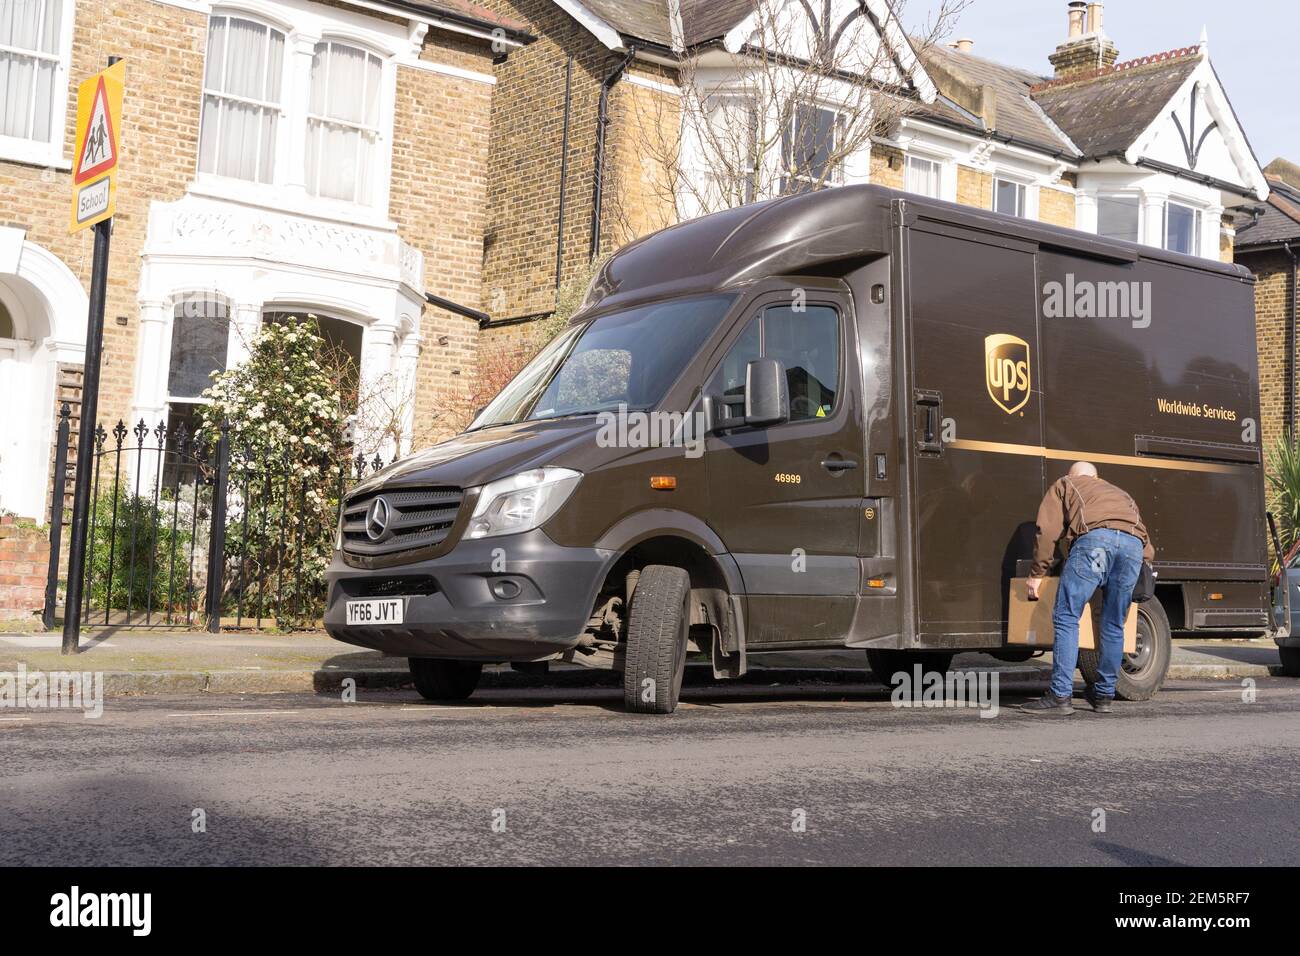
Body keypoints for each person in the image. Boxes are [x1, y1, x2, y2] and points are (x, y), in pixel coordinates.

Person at [1020, 462, 1154, 716]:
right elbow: (1147, 547)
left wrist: (1037, 574)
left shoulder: (1066, 484)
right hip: (1133, 548)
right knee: (1114, 623)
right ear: (1097, 477)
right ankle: (1104, 696)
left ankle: (1060, 696)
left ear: (1073, 475)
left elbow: (1047, 531)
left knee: (1067, 616)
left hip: (1095, 542)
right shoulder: (1121, 493)